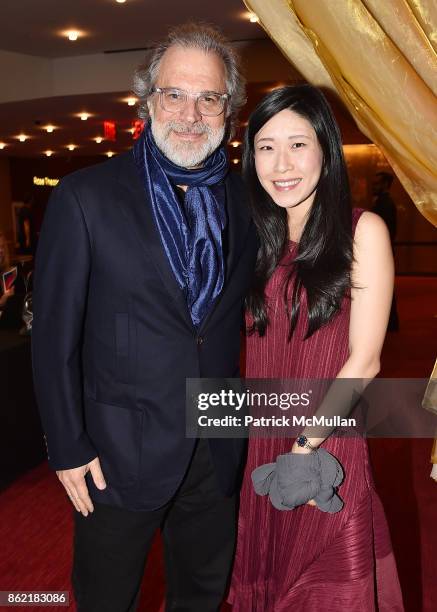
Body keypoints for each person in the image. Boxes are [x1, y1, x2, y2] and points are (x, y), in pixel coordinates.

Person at [32, 23, 257, 612]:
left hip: (217, 443)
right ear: (147, 99)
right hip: (115, 453)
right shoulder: (86, 196)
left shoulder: (245, 199)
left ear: (228, 108)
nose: (191, 113)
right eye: (174, 94)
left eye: (209, 97)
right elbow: (54, 338)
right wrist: (66, 445)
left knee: (202, 596)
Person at [229, 85, 404, 610]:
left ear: (326, 150)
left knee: (325, 585)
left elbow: (365, 360)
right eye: (265, 146)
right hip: (261, 438)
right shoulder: (254, 240)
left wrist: (305, 448)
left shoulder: (361, 230)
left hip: (323, 442)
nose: (280, 163)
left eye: (298, 144)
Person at [372, 171, 399, 330]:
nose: (374, 185)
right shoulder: (382, 201)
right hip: (383, 251)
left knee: (384, 287)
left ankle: (389, 323)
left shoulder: (386, 203)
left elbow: (388, 230)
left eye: (378, 182)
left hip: (382, 252)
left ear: (386, 184)